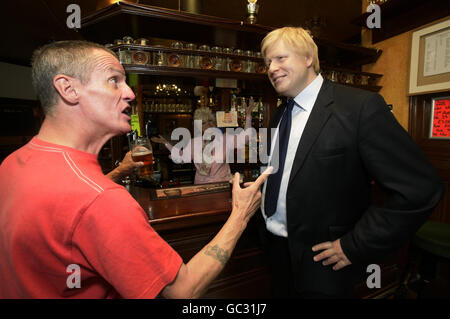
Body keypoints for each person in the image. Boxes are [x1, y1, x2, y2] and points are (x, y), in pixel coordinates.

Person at [0, 40, 270, 299]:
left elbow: (66, 210)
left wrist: (119, 171)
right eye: (114, 80)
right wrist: (241, 214)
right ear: (68, 89)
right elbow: (183, 290)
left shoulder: (13, 163)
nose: (129, 92)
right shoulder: (103, 201)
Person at [259, 27, 445, 298]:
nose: (272, 68)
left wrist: (355, 245)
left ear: (308, 57)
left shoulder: (360, 107)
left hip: (324, 261)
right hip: (275, 253)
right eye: (267, 63)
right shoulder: (278, 116)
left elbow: (421, 188)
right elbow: (279, 173)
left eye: (280, 58)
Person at [151, 101, 256, 184]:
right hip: (201, 186)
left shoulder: (225, 139)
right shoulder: (194, 143)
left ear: (214, 122)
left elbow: (245, 138)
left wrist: (248, 116)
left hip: (222, 185)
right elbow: (181, 157)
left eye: (210, 121)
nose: (208, 125)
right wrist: (166, 143)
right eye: (203, 123)